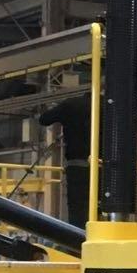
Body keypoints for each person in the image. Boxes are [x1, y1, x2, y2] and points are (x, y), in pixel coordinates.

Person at [38, 93, 91, 228]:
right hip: (107, 167)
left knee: (78, 207)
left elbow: (44, 119)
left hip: (78, 164)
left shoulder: (71, 104)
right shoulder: (111, 106)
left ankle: (78, 241)